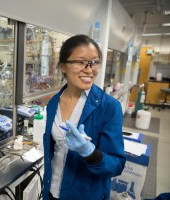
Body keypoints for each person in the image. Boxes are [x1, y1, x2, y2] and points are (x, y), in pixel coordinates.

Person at [42, 34, 126, 200]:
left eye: (94, 62)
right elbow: (54, 151)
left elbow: (117, 165)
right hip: (53, 191)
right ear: (63, 67)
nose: (89, 69)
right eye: (80, 62)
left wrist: (89, 152)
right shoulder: (53, 103)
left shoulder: (108, 107)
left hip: (85, 194)